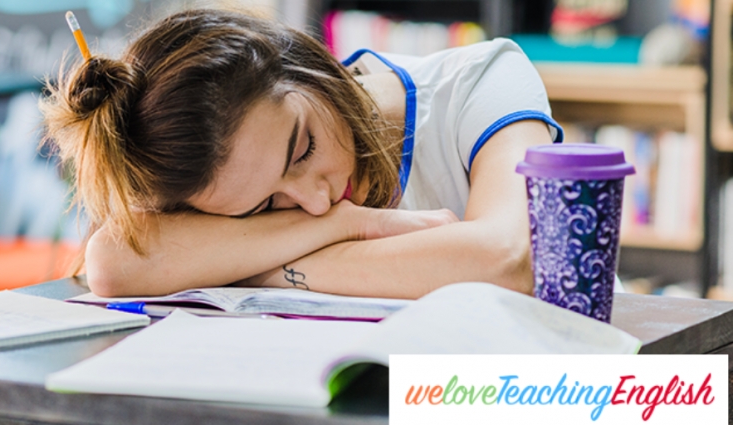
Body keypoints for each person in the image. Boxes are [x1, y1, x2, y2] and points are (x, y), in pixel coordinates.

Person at [39, 8, 563, 299]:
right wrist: (350, 226)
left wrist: (249, 262)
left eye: (303, 148)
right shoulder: (313, 206)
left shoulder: (483, 81)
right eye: (263, 207)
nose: (316, 200)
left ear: (306, 64)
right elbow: (111, 263)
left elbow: (511, 260)